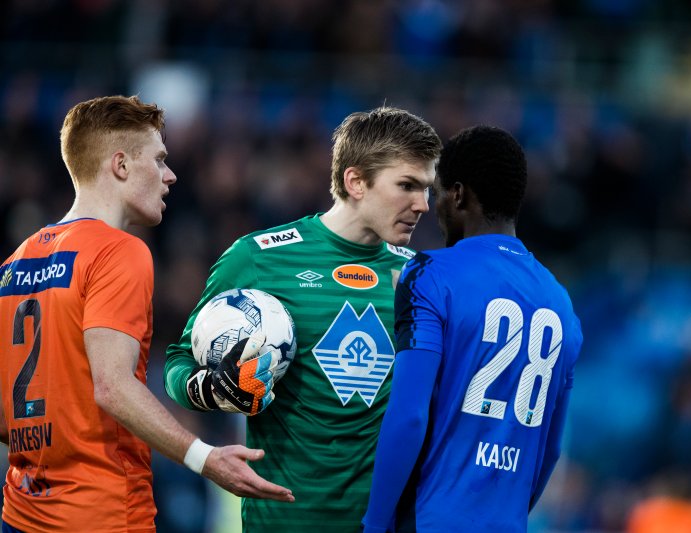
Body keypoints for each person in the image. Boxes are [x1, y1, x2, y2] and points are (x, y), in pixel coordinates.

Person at [0, 95, 293, 533]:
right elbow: (112, 387)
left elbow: (6, 420)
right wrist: (205, 458)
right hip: (102, 514)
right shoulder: (120, 252)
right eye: (158, 159)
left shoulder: (14, 265)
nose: (170, 175)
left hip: (20, 513)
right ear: (120, 165)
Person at [163, 106, 442, 532]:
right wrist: (210, 388)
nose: (423, 204)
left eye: (427, 189)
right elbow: (179, 363)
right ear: (355, 182)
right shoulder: (259, 258)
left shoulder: (421, 277)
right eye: (407, 185)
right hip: (283, 521)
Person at [361, 125, 584, 532]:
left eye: (439, 193)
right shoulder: (561, 303)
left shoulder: (430, 273)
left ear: (459, 195)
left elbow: (409, 417)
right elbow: (550, 450)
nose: (431, 208)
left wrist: (375, 524)